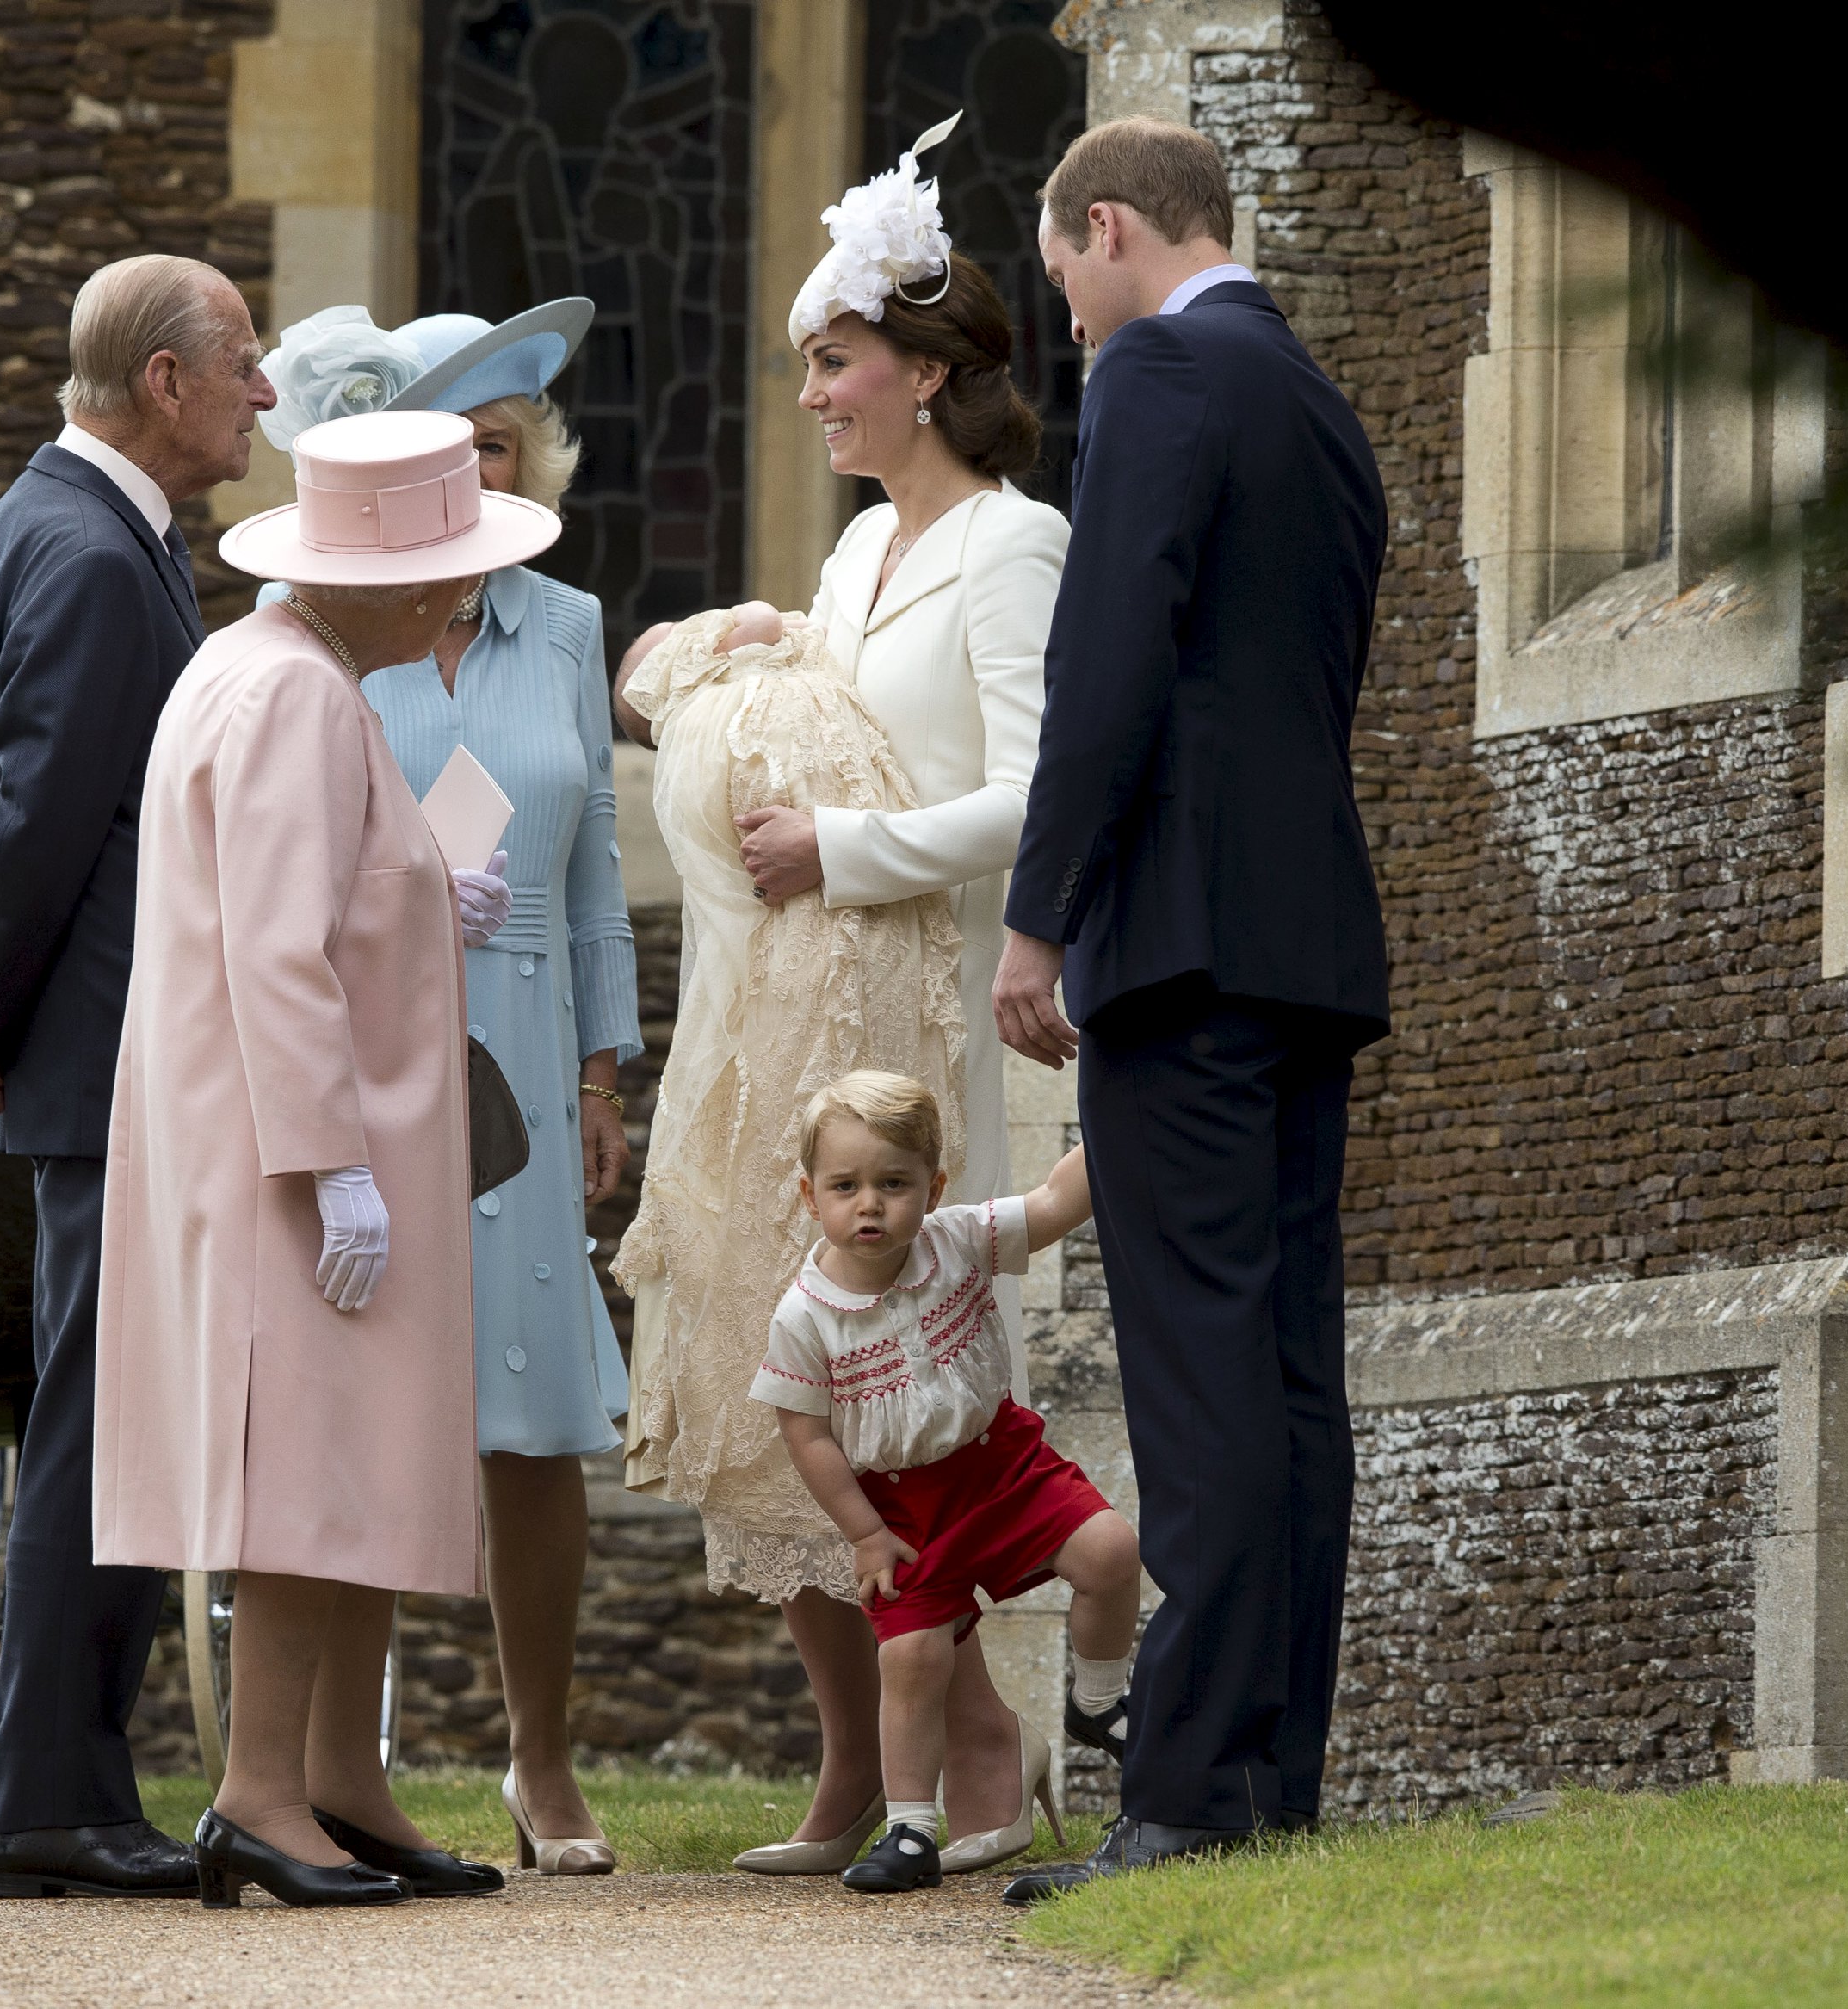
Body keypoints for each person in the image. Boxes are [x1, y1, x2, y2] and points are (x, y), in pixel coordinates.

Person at [618, 114, 1072, 1878]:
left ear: (928, 372)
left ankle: (971, 1755)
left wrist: (846, 847)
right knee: (786, 1384)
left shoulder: (1011, 547)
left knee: (907, 1396)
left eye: (833, 364)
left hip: (919, 1023)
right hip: (799, 1023)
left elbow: (1041, 790)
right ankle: (863, 1764)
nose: (810, 398)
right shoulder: (857, 552)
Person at [990, 118, 1389, 1904]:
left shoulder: (1159, 367)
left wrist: (1038, 917)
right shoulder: (1316, 401)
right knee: (1291, 1376)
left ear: (1114, 229)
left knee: (1203, 1378)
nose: (1062, 308)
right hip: (1307, 942)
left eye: (1062, 265)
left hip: (1179, 940)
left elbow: (1110, 657)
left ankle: (1183, 1802)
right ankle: (1271, 1773)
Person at [93, 405, 547, 1907]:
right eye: (447, 572)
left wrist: (427, 893)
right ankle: (262, 1790)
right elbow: (278, 952)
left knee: (352, 1460)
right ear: (390, 581)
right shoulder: (291, 692)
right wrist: (328, 1159)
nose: (459, 601)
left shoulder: (282, 671)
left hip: (319, 1136)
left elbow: (320, 898)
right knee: (304, 1466)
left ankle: (339, 1772)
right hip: (301, 1149)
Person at [0, 252, 275, 1903]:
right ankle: (48, 1793)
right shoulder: (101, 558)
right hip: (118, 1055)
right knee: (101, 1425)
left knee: (102, 1412)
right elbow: (34, 828)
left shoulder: (27, 521)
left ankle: (68, 1779)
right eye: (243, 362)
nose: (265, 391)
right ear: (163, 383)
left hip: (75, 1042)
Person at [250, 300, 634, 1872]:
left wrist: (608, 1069)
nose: (472, 471)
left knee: (532, 1424)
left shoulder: (571, 624)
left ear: (526, 460)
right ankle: (350, 1758)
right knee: (374, 1400)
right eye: (445, 444)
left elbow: (600, 857)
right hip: (375, 1040)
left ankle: (543, 1761)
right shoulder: (315, 620)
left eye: (495, 445)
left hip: (530, 1046)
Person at [751, 1073, 1137, 1895]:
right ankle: (910, 1829)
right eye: (845, 1187)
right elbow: (806, 1431)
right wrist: (862, 1532)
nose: (870, 1206)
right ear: (807, 1195)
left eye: (894, 1185)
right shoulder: (805, 1314)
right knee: (915, 1660)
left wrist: (1127, 1111)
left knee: (1111, 1550)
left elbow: (1054, 1203)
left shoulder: (958, 1239)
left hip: (1003, 1466)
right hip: (899, 1505)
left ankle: (1100, 1700)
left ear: (933, 1187)